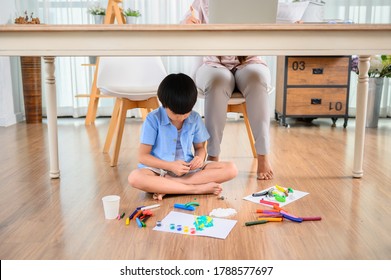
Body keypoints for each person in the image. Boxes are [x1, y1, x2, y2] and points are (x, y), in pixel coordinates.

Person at [182, 0, 274, 180]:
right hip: (213, 64)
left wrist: (290, 22)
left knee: (257, 79)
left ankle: (263, 155)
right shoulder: (202, 2)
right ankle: (213, 156)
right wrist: (187, 22)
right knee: (218, 82)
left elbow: (276, 16)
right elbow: (186, 20)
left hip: (249, 61)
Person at [128, 73, 238, 200]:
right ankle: (195, 189)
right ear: (164, 104)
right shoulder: (153, 119)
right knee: (135, 177)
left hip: (188, 169)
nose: (181, 117)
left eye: (186, 113)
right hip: (159, 170)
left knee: (231, 169)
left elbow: (200, 148)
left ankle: (169, 186)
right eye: (175, 113)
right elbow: (142, 156)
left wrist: (199, 158)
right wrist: (170, 166)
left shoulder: (195, 118)